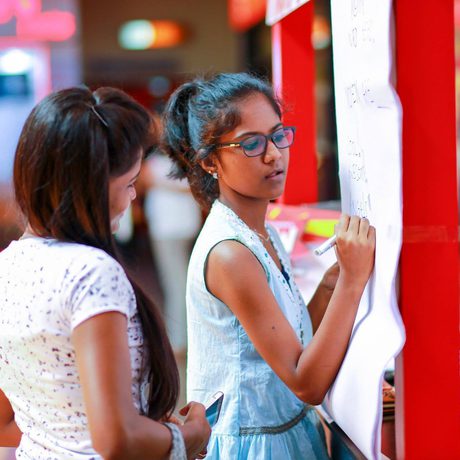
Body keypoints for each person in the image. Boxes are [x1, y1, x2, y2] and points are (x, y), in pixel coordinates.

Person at [161, 72, 376, 459]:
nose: (273, 154)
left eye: (278, 135)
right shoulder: (230, 253)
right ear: (211, 162)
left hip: (285, 432)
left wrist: (330, 286)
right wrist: (352, 281)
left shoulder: (261, 231)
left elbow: (291, 344)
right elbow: (304, 382)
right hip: (256, 445)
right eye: (251, 144)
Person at [0, 86, 210, 459]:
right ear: (92, 187)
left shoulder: (8, 265)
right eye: (128, 184)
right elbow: (116, 439)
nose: (132, 198)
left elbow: (8, 423)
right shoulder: (90, 271)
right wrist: (187, 438)